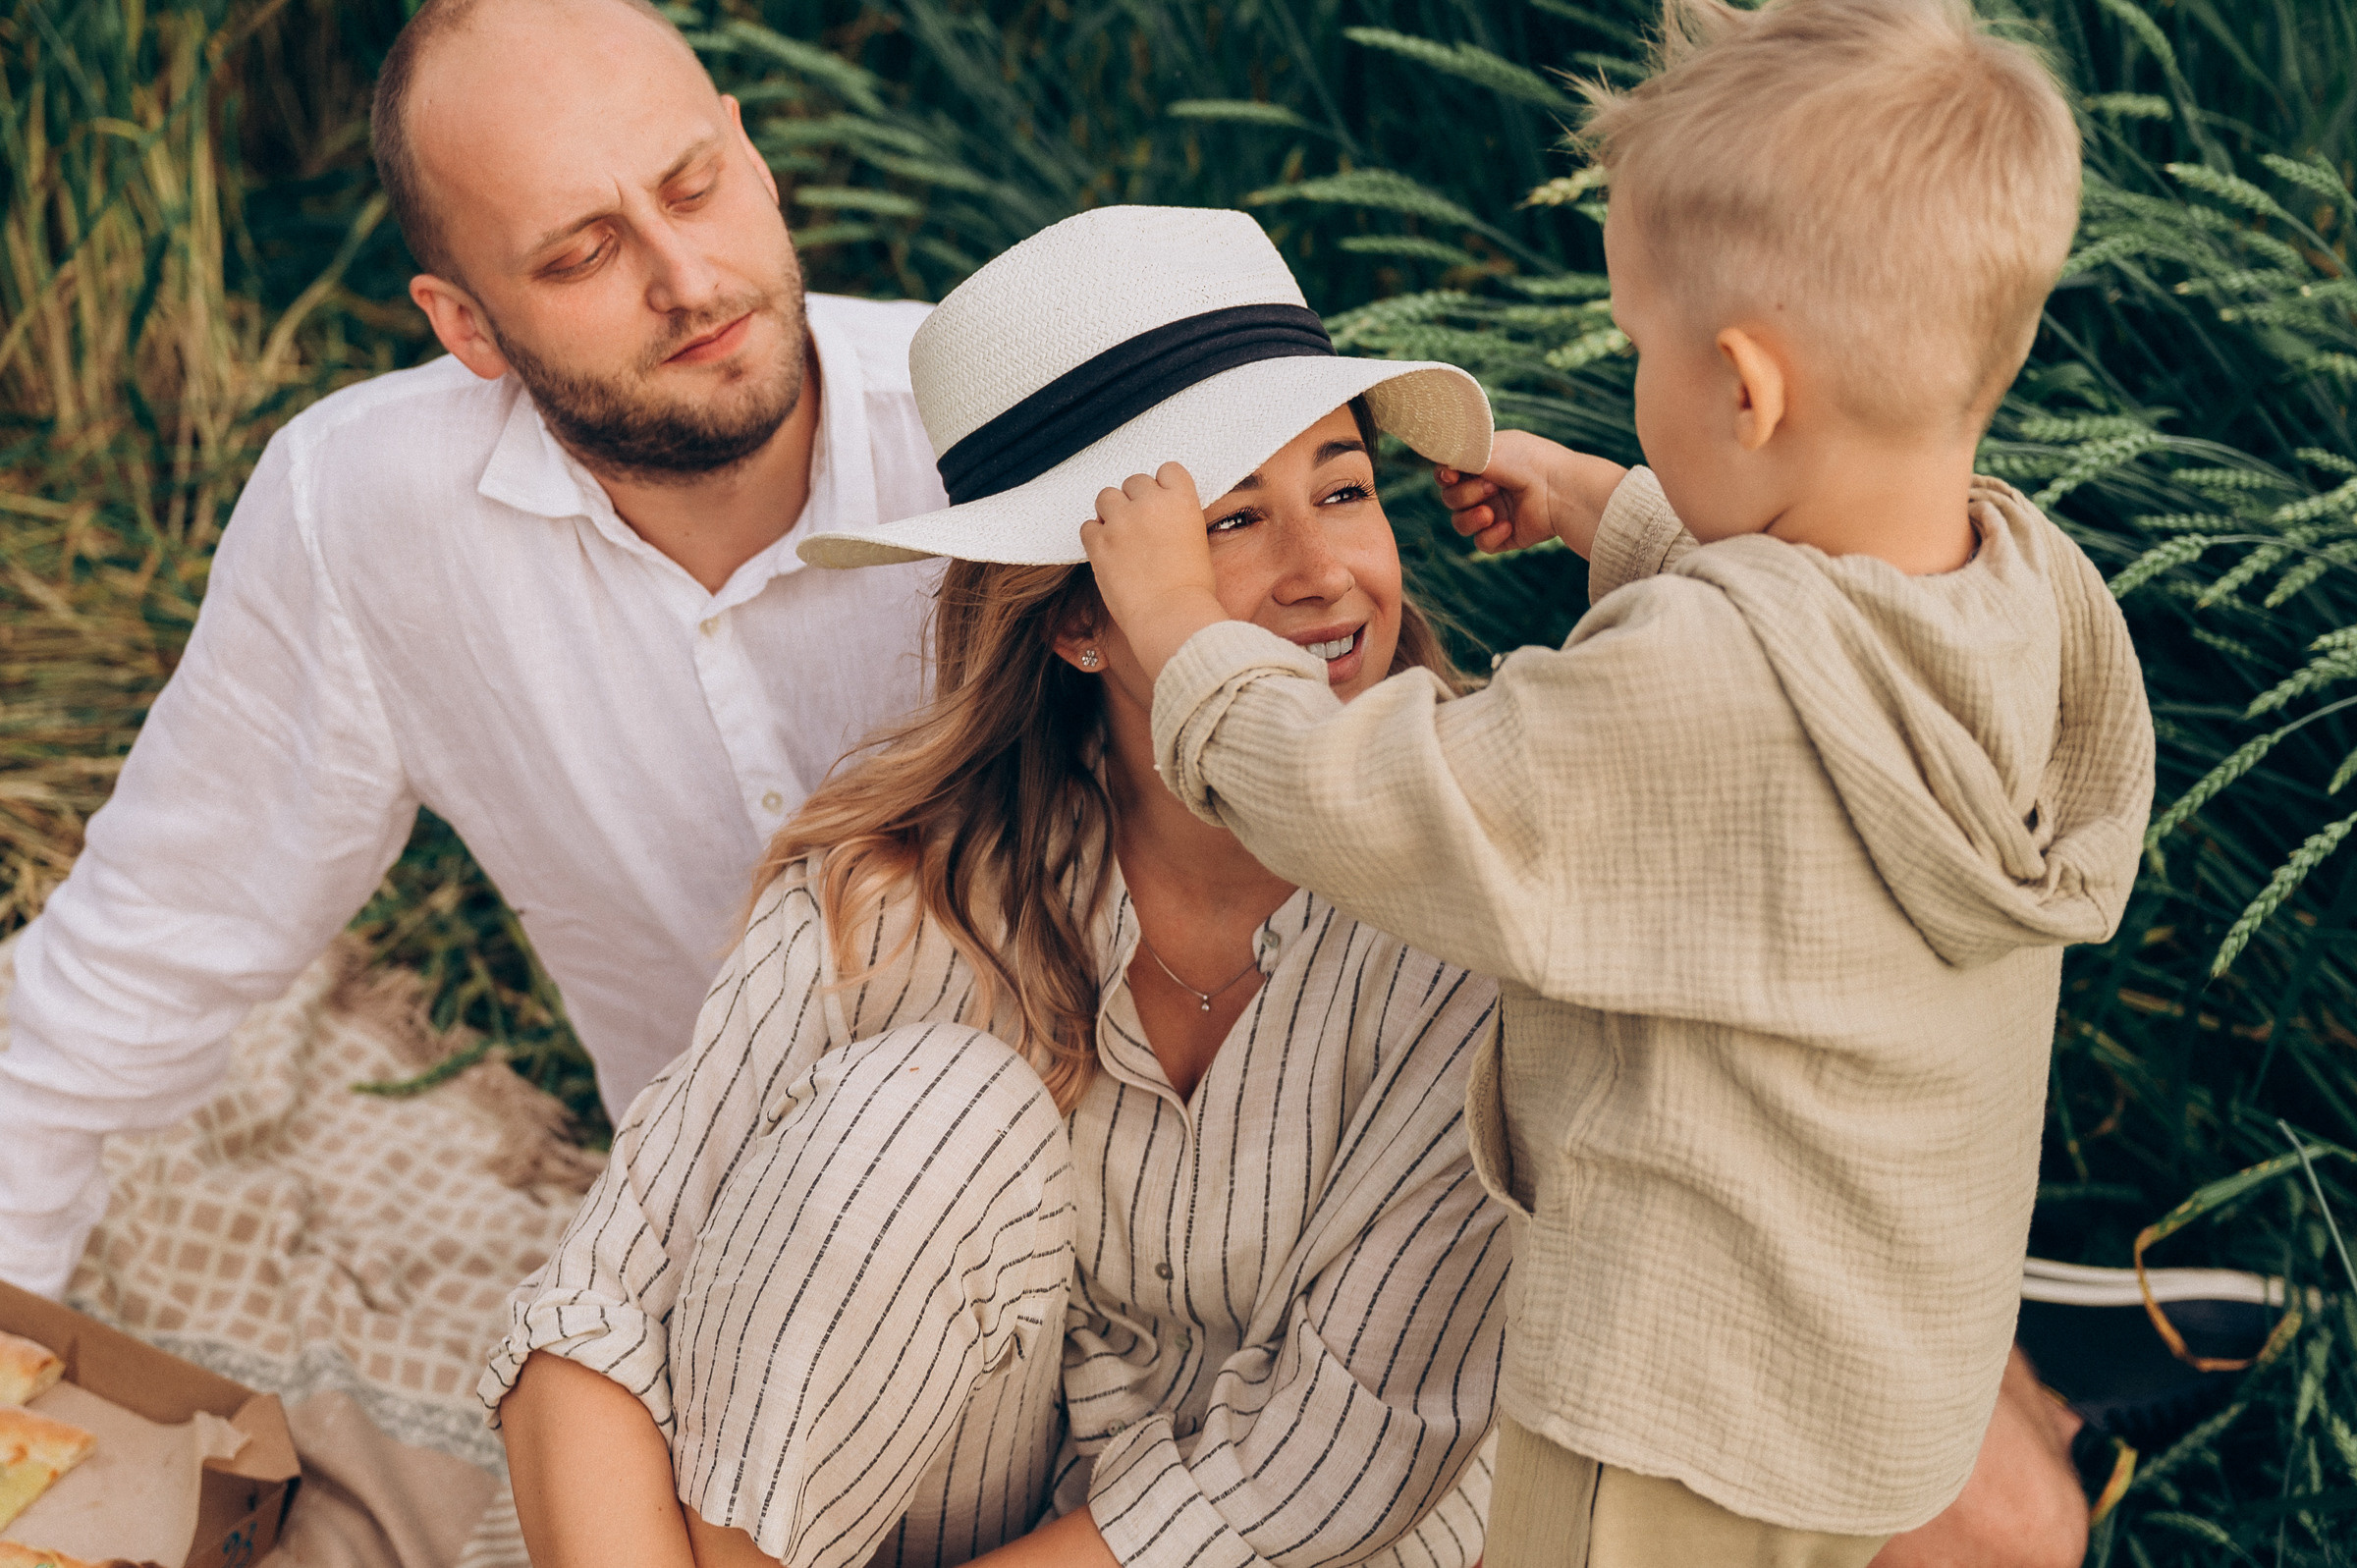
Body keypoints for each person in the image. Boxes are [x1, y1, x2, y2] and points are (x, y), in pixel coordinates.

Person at [1079, 4, 2155, 1567]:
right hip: (1872, 1378)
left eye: (1641, 349)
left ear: (1743, 385)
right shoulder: (2032, 600)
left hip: (1681, 1405)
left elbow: (1385, 798)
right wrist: (1611, 508)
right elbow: (1821, 627)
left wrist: (1183, 634)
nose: (1633, 378)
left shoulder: (1690, 693)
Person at [482, 205, 1509, 1568]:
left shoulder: (1489, 888)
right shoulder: (907, 879)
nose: (1325, 574)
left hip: (1317, 1547)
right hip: (899, 1520)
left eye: (1342, 488)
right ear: (1078, 617)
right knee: (931, 1112)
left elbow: (1314, 1474)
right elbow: (603, 1306)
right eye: (1227, 522)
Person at [0, 0, 946, 1301]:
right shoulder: (365, 514)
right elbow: (142, 951)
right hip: (741, 1264)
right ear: (468, 327)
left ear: (752, 155)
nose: (688, 280)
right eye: (580, 257)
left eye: (695, 186)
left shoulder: (996, 425)